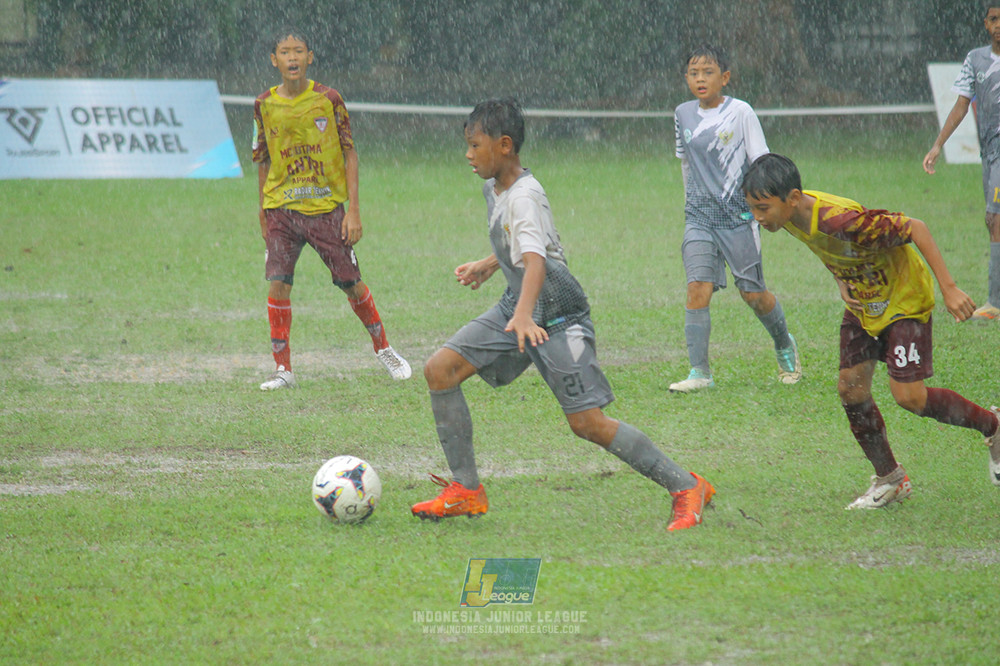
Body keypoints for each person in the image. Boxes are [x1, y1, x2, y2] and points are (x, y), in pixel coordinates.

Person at [410, 98, 714, 531]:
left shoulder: (525, 196)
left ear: (505, 145)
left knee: (587, 423)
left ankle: (686, 486)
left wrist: (525, 315)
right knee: (440, 370)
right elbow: (528, 246)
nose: (468, 154)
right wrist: (490, 264)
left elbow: (536, 261)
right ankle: (467, 490)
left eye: (475, 145)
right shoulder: (495, 188)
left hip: (555, 315)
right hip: (519, 306)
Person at [742, 153, 1000, 508]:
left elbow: (916, 228)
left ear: (793, 198)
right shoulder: (786, 217)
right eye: (752, 208)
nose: (757, 217)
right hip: (863, 301)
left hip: (903, 298)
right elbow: (825, 247)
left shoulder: (842, 220)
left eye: (762, 208)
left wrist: (950, 288)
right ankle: (890, 479)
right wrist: (839, 278)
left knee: (910, 398)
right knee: (850, 388)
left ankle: (994, 426)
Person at [251, 29, 410, 390]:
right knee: (278, 284)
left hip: (325, 209)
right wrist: (263, 210)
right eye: (284, 52)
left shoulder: (329, 99)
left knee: (351, 284)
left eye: (299, 51)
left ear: (310, 57)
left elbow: (350, 152)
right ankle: (283, 370)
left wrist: (353, 210)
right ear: (273, 60)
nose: (292, 57)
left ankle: (383, 348)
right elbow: (261, 159)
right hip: (281, 208)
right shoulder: (263, 104)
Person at [669, 44, 800, 393]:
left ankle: (784, 342)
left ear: (724, 77)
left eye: (707, 72)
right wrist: (689, 204)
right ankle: (700, 373)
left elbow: (761, 161)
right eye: (694, 73)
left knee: (753, 295)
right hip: (698, 218)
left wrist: (763, 211)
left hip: (738, 218)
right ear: (686, 78)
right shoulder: (682, 114)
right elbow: (685, 163)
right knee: (697, 288)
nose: (700, 79)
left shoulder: (741, 113)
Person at [922, 4, 1000, 321]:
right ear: (985, 24)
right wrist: (938, 145)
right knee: (993, 221)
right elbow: (961, 105)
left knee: (995, 219)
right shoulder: (975, 59)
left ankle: (995, 302)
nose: (999, 25)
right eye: (994, 19)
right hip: (991, 154)